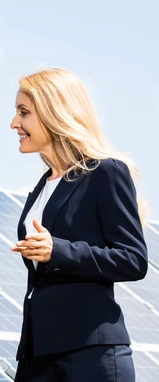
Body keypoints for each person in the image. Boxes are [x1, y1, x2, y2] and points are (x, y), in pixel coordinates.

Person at [9, 67, 148, 381]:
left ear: (54, 112)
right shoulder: (42, 186)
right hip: (38, 356)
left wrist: (58, 250)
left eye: (24, 112)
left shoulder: (105, 173)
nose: (14, 123)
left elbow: (133, 260)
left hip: (90, 356)